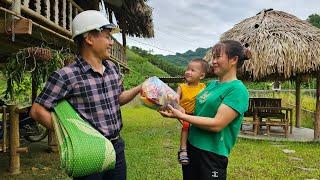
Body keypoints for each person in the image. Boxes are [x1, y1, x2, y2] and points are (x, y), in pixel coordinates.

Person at [30, 10, 142, 180]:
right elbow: (37, 110)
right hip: (89, 151)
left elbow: (117, 99)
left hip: (117, 146)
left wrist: (139, 88)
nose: (111, 43)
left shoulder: (112, 69)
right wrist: (71, 135)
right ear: (89, 38)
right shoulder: (66, 75)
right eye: (107, 37)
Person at [159, 40, 251, 180]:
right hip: (191, 146)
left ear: (234, 60)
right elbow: (197, 115)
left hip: (211, 154)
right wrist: (176, 112)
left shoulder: (237, 90)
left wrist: (183, 117)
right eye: (213, 57)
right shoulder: (211, 85)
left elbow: (217, 124)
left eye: (217, 57)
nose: (213, 62)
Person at [176, 58, 207, 165]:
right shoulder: (182, 87)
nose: (188, 72)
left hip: (198, 114)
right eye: (188, 69)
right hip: (184, 114)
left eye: (193, 70)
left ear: (201, 76)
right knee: (186, 127)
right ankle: (183, 149)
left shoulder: (203, 87)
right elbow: (176, 99)